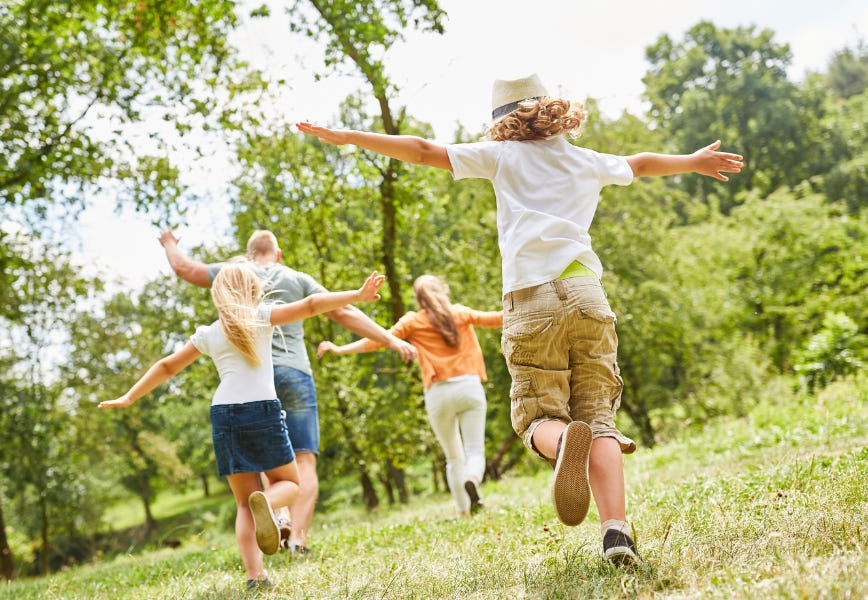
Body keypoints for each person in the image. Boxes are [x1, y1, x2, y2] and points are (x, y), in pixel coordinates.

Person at [296, 73, 744, 565]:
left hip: (531, 299)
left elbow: (423, 150)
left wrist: (350, 136)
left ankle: (562, 442)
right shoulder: (585, 160)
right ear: (551, 110)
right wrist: (693, 161)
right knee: (598, 418)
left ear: (502, 122)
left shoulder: (502, 157)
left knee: (536, 416)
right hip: (587, 295)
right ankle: (616, 535)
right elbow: (639, 163)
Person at [99, 264, 387, 588]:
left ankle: (255, 577)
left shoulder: (209, 333)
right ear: (253, 291)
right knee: (290, 484)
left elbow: (167, 366)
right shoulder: (261, 317)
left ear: (218, 295)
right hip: (261, 410)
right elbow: (310, 305)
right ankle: (269, 502)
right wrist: (357, 294)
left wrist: (129, 396)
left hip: (223, 414)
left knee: (243, 503)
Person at [159, 228, 416, 555]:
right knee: (303, 460)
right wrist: (390, 339)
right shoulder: (296, 277)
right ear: (278, 254)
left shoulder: (233, 273)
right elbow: (340, 310)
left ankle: (278, 515)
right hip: (294, 374)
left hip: (252, 380)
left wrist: (170, 243)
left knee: (270, 458)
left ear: (249, 254)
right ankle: (298, 540)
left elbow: (185, 269)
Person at [316, 274, 503, 517]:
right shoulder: (460, 313)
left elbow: (378, 340)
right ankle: (472, 479)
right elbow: (498, 318)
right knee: (474, 451)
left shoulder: (413, 321)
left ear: (418, 299)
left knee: (453, 457)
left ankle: (463, 512)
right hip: (469, 387)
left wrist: (340, 349)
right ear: (442, 291)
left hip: (438, 394)